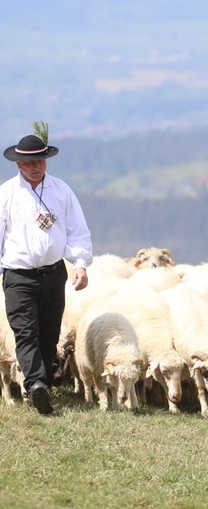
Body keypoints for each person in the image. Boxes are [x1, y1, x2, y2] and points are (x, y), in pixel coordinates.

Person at [1, 124, 93, 414]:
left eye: (40, 161)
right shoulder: (6, 194)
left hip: (54, 274)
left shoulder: (61, 191)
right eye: (29, 162)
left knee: (49, 333)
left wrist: (80, 264)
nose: (36, 167)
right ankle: (37, 384)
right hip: (18, 275)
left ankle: (41, 387)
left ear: (46, 160)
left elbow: (77, 230)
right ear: (19, 163)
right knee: (25, 332)